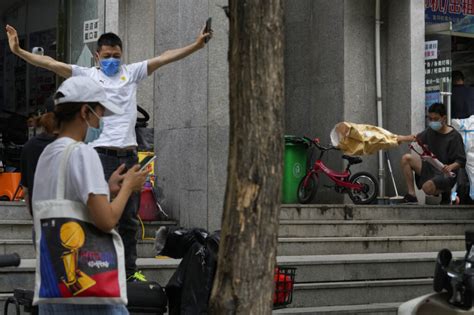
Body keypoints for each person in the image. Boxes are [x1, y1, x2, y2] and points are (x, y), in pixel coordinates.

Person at [6, 23, 212, 281]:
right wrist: (19, 52)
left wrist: (196, 45)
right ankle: (98, 272)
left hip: (128, 156)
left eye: (116, 56)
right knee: (98, 217)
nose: (112, 60)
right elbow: (50, 63)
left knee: (128, 220)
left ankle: (128, 273)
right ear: (97, 57)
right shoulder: (87, 75)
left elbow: (164, 57)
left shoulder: (132, 73)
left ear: (122, 54)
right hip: (99, 156)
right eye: (107, 57)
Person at [32, 76, 148, 314]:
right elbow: (106, 220)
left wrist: (105, 188)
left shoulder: (47, 154)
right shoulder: (84, 154)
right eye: (100, 113)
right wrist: (128, 188)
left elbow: (58, 199)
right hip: (88, 290)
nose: (101, 121)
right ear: (85, 111)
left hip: (53, 283)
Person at [398, 103, 466, 204]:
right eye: (430, 119)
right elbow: (416, 138)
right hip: (431, 167)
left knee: (427, 188)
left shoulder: (455, 136)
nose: (432, 122)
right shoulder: (430, 131)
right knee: (406, 158)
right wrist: (400, 138)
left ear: (444, 118)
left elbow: (461, 161)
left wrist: (450, 167)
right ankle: (411, 195)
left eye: (436, 119)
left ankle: (446, 192)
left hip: (446, 173)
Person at [20, 98, 58, 216]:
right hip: (66, 216)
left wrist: (33, 214)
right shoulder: (67, 144)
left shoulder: (29, 146)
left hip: (39, 214)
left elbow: (25, 190)